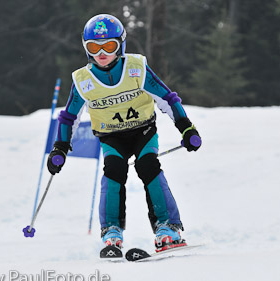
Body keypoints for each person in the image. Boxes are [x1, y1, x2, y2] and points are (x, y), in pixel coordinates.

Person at [47, 14, 201, 252]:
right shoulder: (83, 80)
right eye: (93, 47)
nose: (101, 53)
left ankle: (168, 226)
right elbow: (70, 117)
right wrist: (60, 147)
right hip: (111, 137)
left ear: (121, 45)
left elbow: (167, 98)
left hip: (143, 131)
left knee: (148, 165)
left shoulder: (136, 69)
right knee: (114, 171)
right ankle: (111, 231)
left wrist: (186, 127)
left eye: (109, 46)